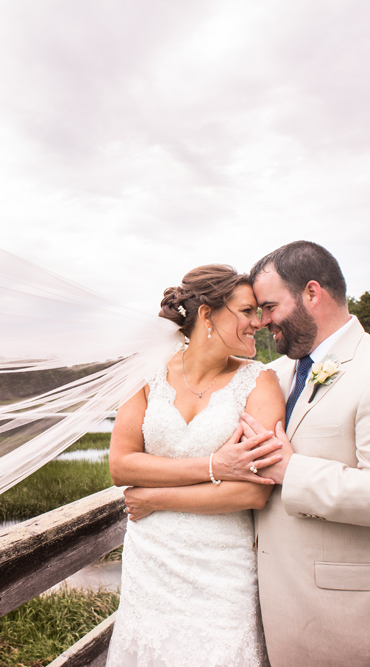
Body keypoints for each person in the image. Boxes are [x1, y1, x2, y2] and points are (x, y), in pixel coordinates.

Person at [210, 241, 370, 665]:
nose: (262, 322)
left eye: (269, 306)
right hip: (276, 614)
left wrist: (290, 470)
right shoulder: (272, 376)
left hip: (360, 623)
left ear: (312, 293)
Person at [104, 264, 286, 667]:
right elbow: (121, 466)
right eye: (246, 311)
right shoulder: (145, 377)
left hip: (223, 565)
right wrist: (216, 465)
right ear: (207, 315)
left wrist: (157, 498)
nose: (257, 322)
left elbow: (254, 491)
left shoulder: (260, 382)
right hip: (151, 560)